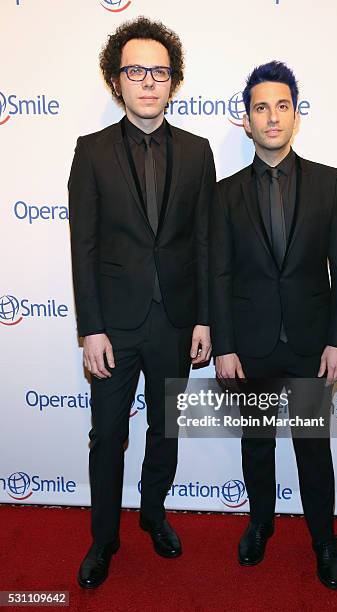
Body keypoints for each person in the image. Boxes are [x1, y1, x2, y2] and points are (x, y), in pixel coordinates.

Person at [69, 16, 215, 589]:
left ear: (172, 81)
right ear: (116, 81)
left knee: (166, 429)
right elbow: (82, 246)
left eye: (159, 71)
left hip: (177, 323)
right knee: (108, 434)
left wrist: (205, 316)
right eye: (136, 71)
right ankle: (104, 538)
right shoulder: (91, 151)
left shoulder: (199, 153)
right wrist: (91, 328)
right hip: (114, 327)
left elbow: (205, 242)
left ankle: (153, 514)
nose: (148, 81)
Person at [210, 61, 337, 590]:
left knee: (314, 451)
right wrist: (224, 347)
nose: (272, 117)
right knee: (257, 445)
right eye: (260, 107)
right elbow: (218, 274)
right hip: (248, 348)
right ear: (246, 121)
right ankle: (260, 523)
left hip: (310, 346)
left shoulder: (329, 183)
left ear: (296, 115)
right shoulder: (224, 194)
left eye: (282, 105)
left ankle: (324, 539)